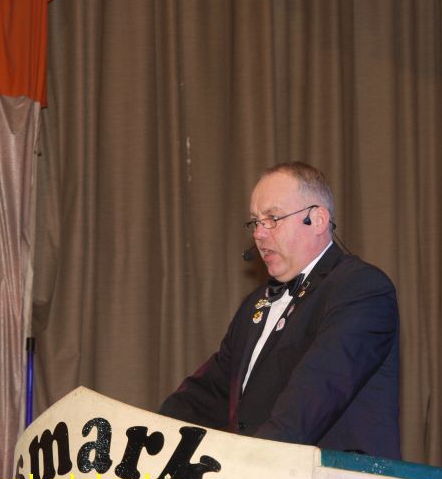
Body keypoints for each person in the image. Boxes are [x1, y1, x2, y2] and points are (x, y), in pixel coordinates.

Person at [159, 162, 400, 459]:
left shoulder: (360, 288)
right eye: (255, 222)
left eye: (272, 219)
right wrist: (147, 433)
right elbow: (209, 393)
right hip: (265, 478)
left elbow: (315, 393)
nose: (259, 234)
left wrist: (252, 464)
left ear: (317, 219)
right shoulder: (254, 305)